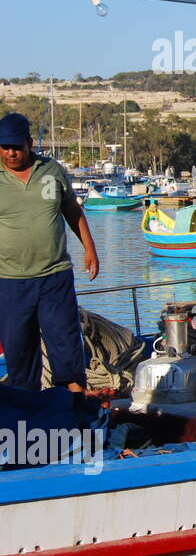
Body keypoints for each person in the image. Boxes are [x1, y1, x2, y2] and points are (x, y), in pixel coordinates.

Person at [0, 113, 100, 393]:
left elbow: (72, 211)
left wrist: (90, 249)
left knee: (65, 344)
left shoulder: (51, 170)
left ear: (30, 143)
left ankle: (75, 409)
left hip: (54, 276)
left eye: (17, 146)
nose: (11, 153)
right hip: (9, 280)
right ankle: (27, 414)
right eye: (4, 146)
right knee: (19, 351)